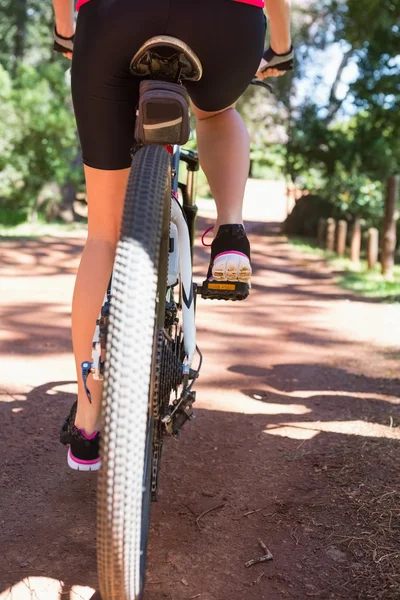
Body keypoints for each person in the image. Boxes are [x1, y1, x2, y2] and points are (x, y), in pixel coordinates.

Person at [52, 0, 293, 470]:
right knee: (217, 111)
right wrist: (279, 48)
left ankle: (89, 419)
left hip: (114, 19)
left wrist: (67, 32)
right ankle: (230, 235)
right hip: (225, 23)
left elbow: (68, 16)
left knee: (104, 233)